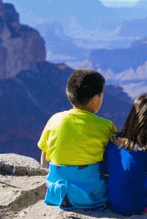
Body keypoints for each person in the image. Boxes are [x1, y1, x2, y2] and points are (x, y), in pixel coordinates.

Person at [37, 69, 117, 210]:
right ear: (96, 99)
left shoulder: (55, 119)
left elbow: (44, 157)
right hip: (90, 196)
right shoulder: (106, 126)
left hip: (56, 193)